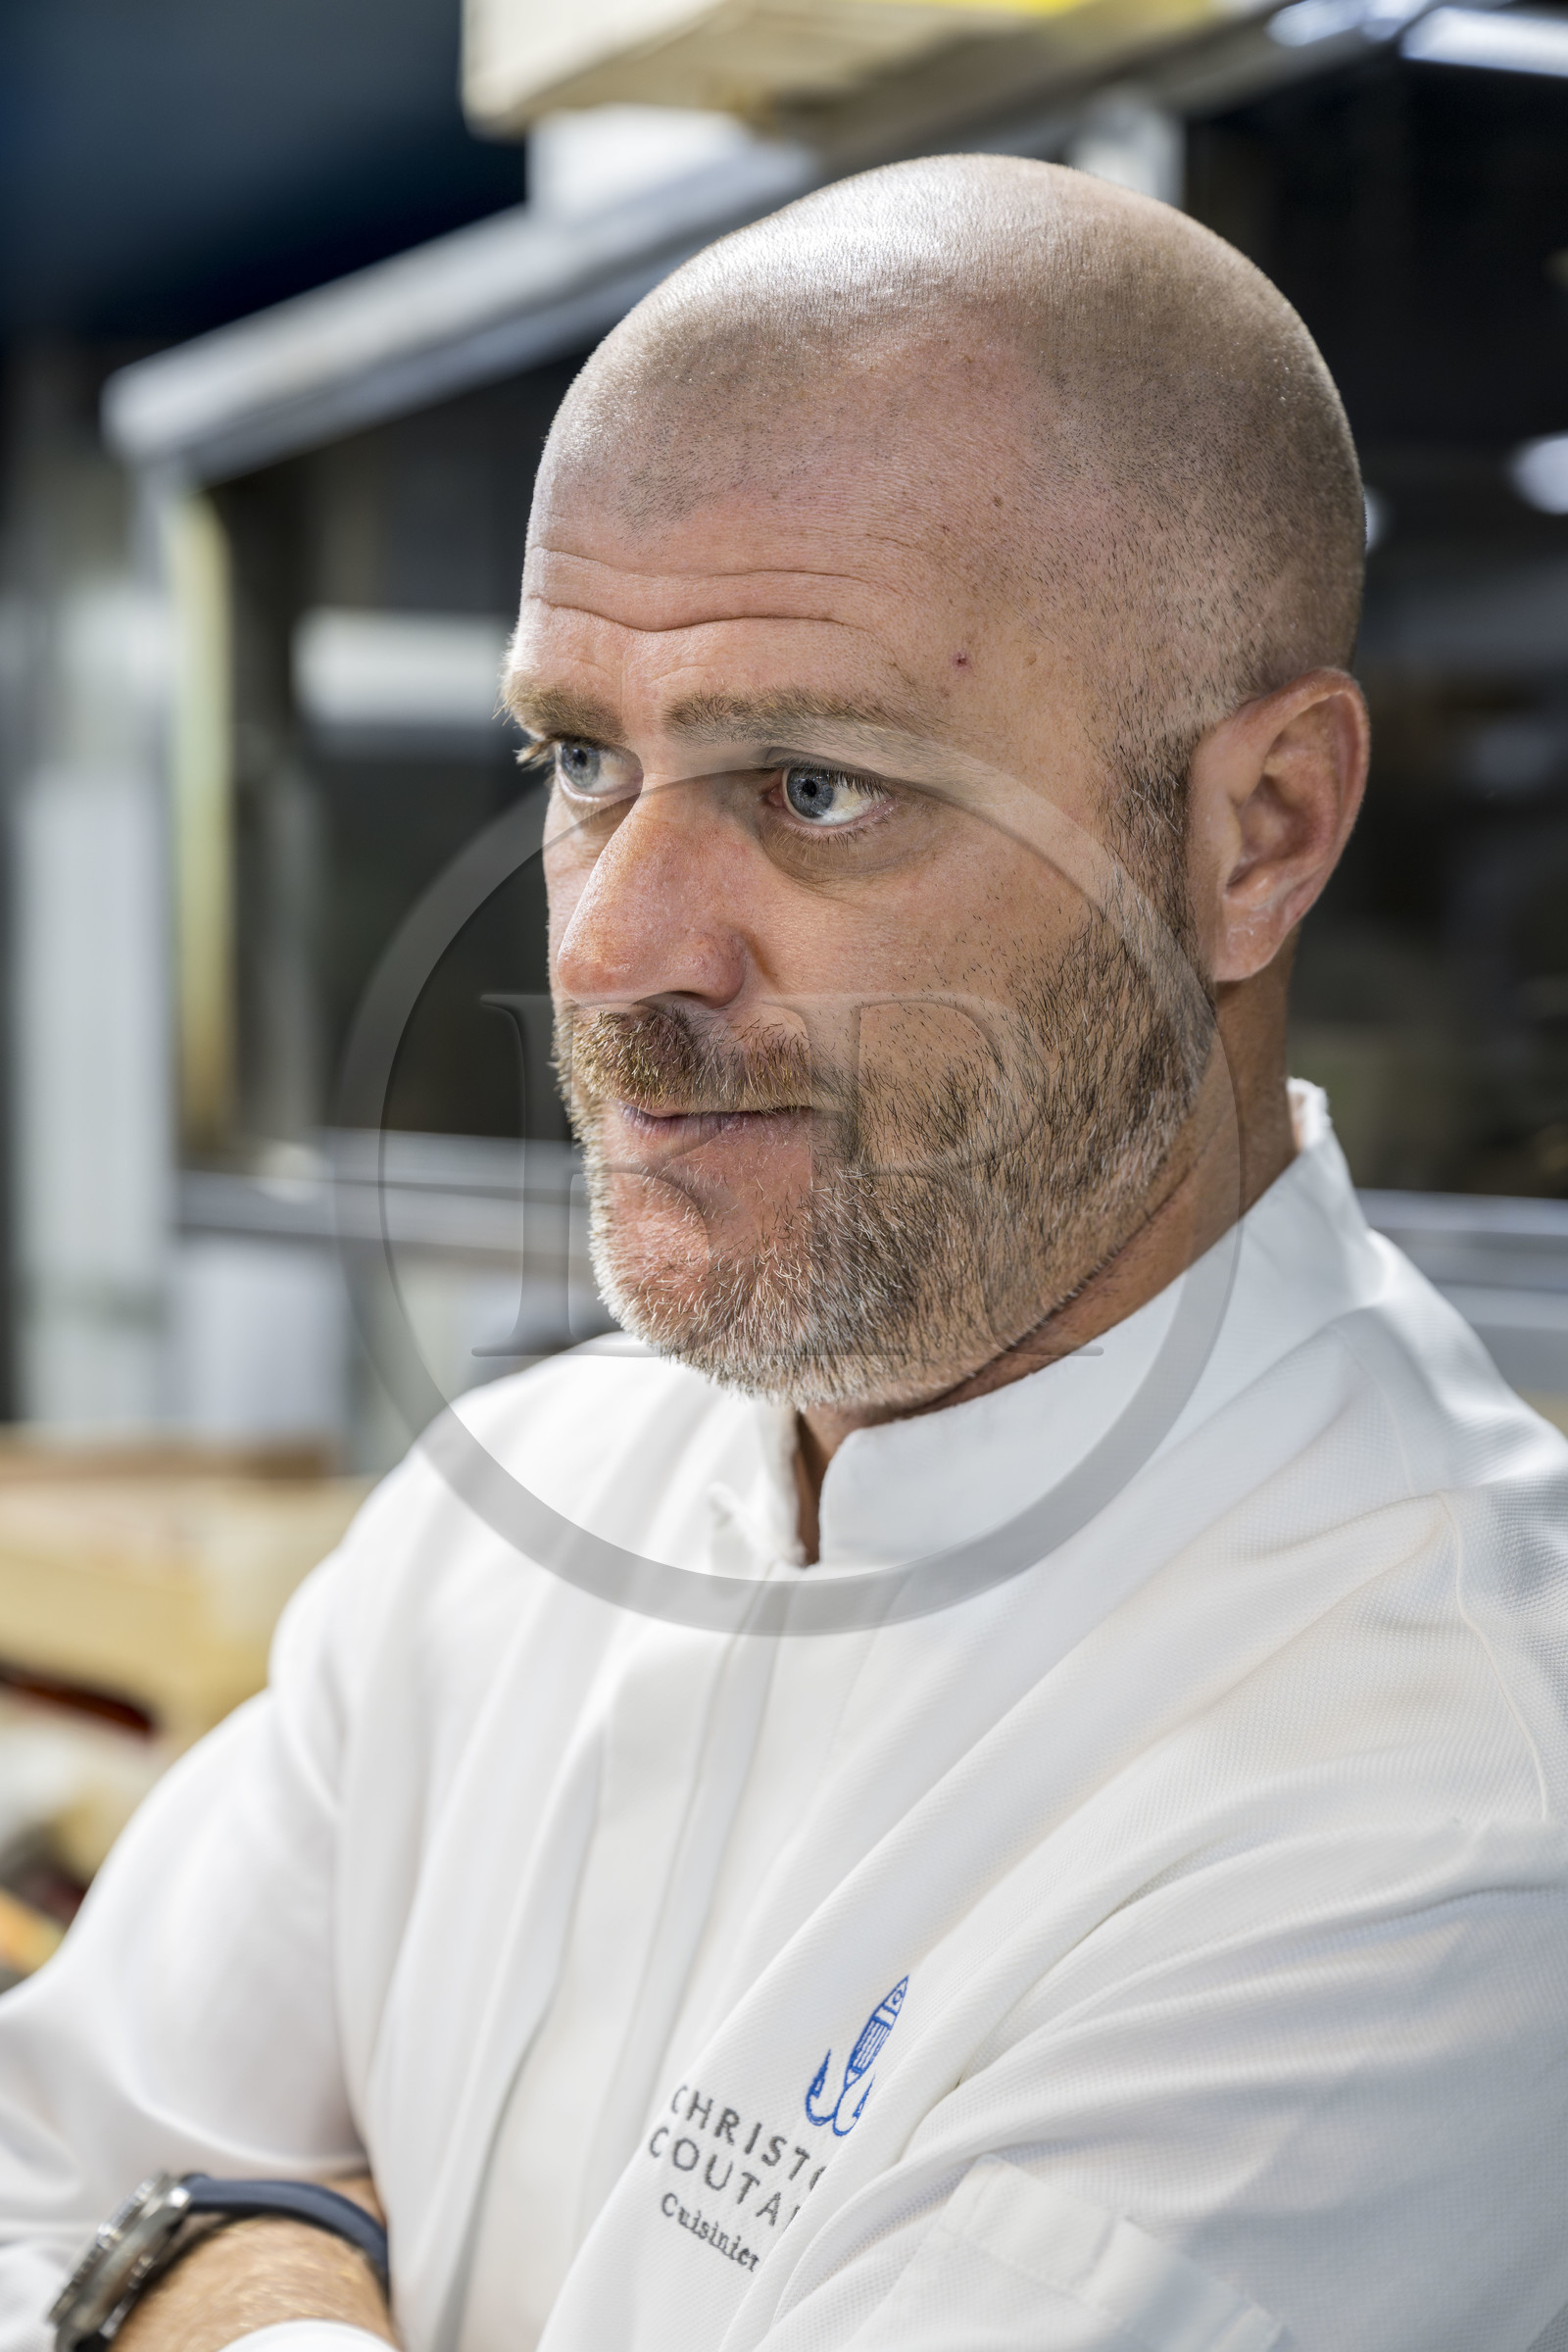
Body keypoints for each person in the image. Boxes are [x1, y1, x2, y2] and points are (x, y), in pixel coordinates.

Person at [2, 153, 1566, 2352]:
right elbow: (32, 2176)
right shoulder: (517, 1524)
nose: (612, 945)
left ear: (1257, 834)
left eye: (814, 786)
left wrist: (226, 2248)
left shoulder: (1430, 1824)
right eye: (576, 759)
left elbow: (108, 2228)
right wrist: (251, 2260)